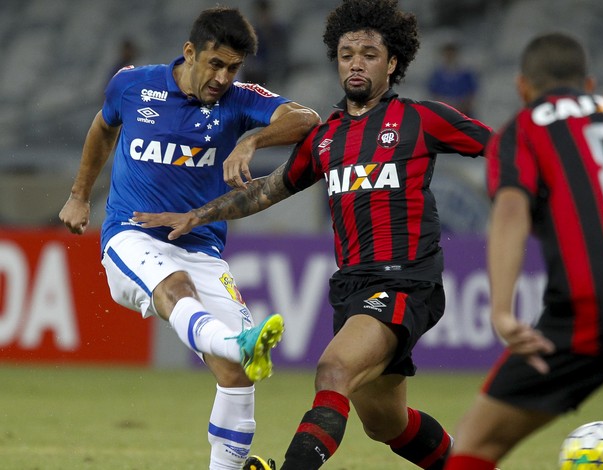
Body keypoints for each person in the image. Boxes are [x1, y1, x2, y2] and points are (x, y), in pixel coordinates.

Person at [132, 1, 492, 469]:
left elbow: (502, 149)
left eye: (368, 53)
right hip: (353, 287)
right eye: (346, 54)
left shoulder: (421, 120)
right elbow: (268, 191)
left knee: (333, 370)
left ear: (393, 63)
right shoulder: (327, 137)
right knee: (387, 423)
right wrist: (197, 215)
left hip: (405, 281)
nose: (356, 63)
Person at [58, 6, 320, 470]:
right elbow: (103, 128)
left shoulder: (239, 100)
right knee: (177, 287)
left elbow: (306, 117)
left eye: (233, 68)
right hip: (131, 237)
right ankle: (237, 341)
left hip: (201, 247)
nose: (222, 77)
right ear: (189, 52)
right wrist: (79, 196)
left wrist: (251, 140)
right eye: (215, 64)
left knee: (237, 378)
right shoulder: (133, 84)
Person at [443, 32, 603, 470]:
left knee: (476, 444)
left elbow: (511, 212)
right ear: (590, 85)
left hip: (594, 301)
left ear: (522, 87)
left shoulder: (523, 128)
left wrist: (502, 311)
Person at [426, 41, 479, 117]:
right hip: (443, 113)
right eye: (447, 54)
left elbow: (472, 94)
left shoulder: (466, 74)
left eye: (452, 54)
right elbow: (433, 94)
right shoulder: (436, 75)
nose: (450, 56)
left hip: (464, 113)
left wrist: (462, 106)